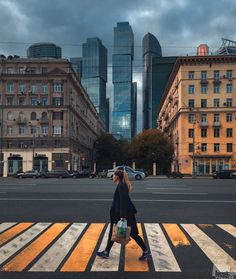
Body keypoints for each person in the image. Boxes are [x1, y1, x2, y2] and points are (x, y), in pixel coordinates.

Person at [97, 169, 151, 260]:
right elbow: (127, 200)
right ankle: (106, 252)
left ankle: (146, 252)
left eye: (113, 175)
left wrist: (122, 217)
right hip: (124, 214)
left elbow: (123, 202)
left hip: (123, 215)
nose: (112, 177)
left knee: (132, 233)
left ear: (117, 177)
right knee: (114, 232)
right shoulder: (121, 185)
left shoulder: (121, 186)